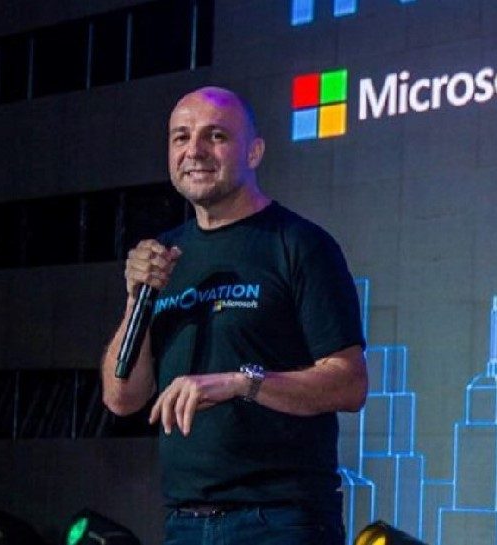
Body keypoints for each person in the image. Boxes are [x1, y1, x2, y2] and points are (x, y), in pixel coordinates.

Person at [100, 86, 367, 545]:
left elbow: (349, 383)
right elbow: (122, 398)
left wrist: (242, 383)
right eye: (181, 137)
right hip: (185, 521)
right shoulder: (165, 255)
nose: (194, 150)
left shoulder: (299, 244)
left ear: (254, 151)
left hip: (280, 521)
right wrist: (134, 299)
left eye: (216, 136)